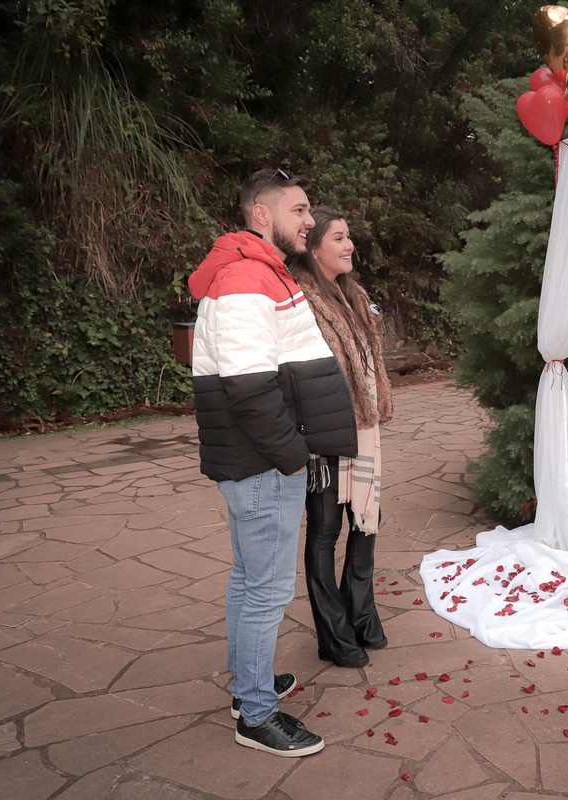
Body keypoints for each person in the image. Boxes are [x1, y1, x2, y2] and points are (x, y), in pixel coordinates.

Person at [189, 168, 359, 757]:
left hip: (258, 462)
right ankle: (257, 716)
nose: (309, 221)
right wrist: (294, 457)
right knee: (265, 590)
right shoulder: (243, 277)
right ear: (261, 214)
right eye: (299, 211)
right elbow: (248, 386)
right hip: (264, 464)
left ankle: (247, 687)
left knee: (248, 580)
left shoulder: (258, 271)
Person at [288, 206, 394, 669]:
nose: (350, 245)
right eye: (338, 238)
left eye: (349, 237)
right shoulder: (301, 299)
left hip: (363, 426)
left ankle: (360, 613)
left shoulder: (351, 293)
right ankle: (332, 634)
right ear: (314, 250)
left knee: (366, 519)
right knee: (325, 530)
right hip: (326, 431)